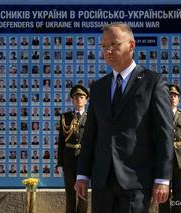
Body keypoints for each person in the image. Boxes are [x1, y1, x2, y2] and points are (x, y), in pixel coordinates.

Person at [74, 23, 174, 212]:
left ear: (131, 45)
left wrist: (162, 179)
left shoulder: (153, 82)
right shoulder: (99, 87)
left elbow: (164, 133)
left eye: (114, 44)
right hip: (102, 180)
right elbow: (91, 134)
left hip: (136, 180)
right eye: (104, 46)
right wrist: (82, 175)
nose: (108, 50)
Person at [159, 85, 181, 213]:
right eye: (170, 95)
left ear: (178, 99)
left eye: (175, 96)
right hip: (164, 159)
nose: (172, 98)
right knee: (163, 191)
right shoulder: (160, 115)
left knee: (179, 192)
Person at [58, 85, 89, 213]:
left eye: (82, 97)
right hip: (68, 159)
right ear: (72, 100)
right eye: (76, 97)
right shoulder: (65, 117)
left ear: (86, 100)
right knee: (70, 193)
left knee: (83, 194)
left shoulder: (91, 117)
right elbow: (61, 143)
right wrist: (60, 163)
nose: (79, 100)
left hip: (84, 159)